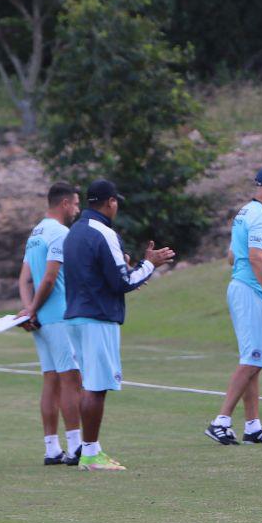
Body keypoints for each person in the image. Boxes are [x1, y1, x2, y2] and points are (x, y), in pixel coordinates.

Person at [64, 179, 174, 469]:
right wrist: (149, 264)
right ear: (110, 202)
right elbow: (122, 282)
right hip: (97, 318)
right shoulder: (105, 232)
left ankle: (90, 449)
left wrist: (127, 268)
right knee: (96, 387)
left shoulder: (74, 231)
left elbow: (96, 275)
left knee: (89, 384)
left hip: (75, 315)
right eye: (116, 202)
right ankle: (89, 454)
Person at [207, 165, 262, 445]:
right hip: (252, 292)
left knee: (254, 360)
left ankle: (252, 426)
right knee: (251, 360)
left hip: (244, 288)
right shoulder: (257, 215)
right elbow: (254, 258)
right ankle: (220, 421)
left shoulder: (246, 211)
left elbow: (234, 255)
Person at [17, 182, 83, 465]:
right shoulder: (60, 233)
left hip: (41, 318)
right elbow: (49, 278)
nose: (78, 210)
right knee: (70, 380)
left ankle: (51, 447)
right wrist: (32, 309)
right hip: (58, 315)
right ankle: (76, 446)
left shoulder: (35, 233)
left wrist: (29, 310)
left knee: (51, 380)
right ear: (65, 203)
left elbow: (24, 279)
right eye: (77, 204)